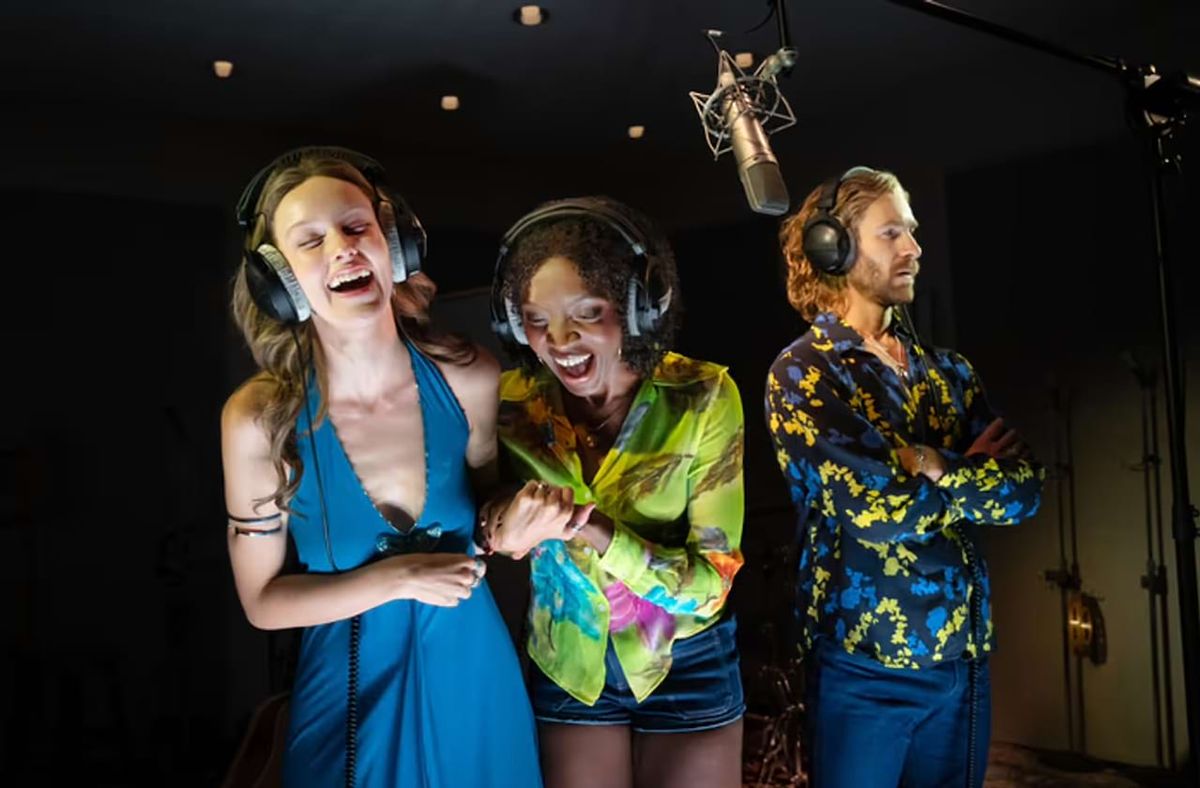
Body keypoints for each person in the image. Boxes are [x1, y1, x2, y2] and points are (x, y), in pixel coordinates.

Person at [220, 146, 541, 787]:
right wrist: (397, 578)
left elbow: (489, 514)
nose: (342, 248)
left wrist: (521, 519)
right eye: (311, 241)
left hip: (476, 684)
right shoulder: (259, 419)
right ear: (280, 281)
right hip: (345, 700)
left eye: (355, 226)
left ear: (394, 244)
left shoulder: (470, 379)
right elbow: (262, 602)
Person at [765, 166, 1045, 788]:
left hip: (962, 658)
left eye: (912, 231)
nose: (914, 248)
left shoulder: (950, 372)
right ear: (833, 248)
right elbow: (878, 513)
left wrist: (936, 464)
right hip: (863, 670)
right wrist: (969, 477)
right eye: (891, 232)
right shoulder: (804, 373)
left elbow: (1024, 491)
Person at [480, 197, 746, 788]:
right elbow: (479, 514)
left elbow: (711, 588)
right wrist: (500, 524)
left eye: (587, 312)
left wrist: (596, 531)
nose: (560, 339)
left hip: (686, 659)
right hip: (569, 664)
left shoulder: (703, 396)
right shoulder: (507, 402)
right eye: (536, 319)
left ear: (637, 307)